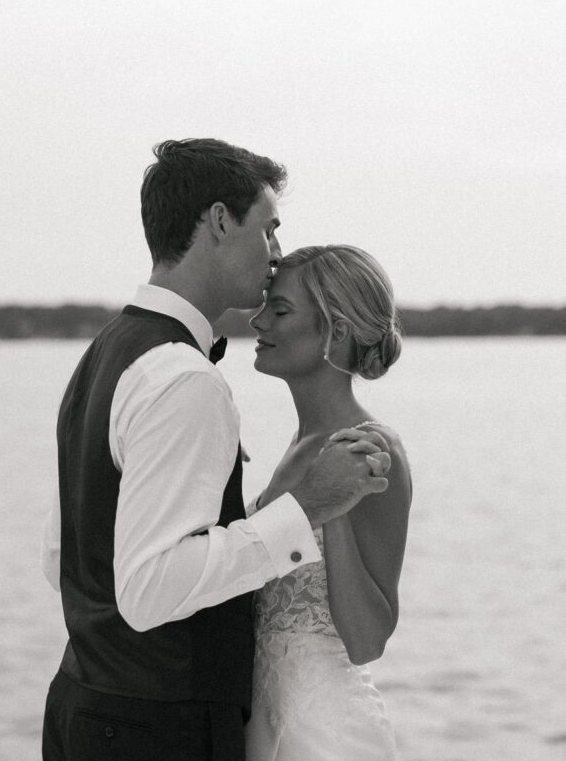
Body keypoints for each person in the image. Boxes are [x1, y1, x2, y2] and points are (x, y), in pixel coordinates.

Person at [40, 139, 392, 761]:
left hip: (84, 709)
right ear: (222, 221)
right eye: (269, 228)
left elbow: (59, 558)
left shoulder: (107, 352)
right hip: (157, 730)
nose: (276, 250)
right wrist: (308, 506)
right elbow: (148, 590)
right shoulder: (183, 377)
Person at [245, 245, 412, 761]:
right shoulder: (300, 444)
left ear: (335, 332)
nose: (257, 320)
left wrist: (331, 513)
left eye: (280, 310)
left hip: (328, 739)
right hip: (261, 727)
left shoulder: (371, 450)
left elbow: (368, 642)